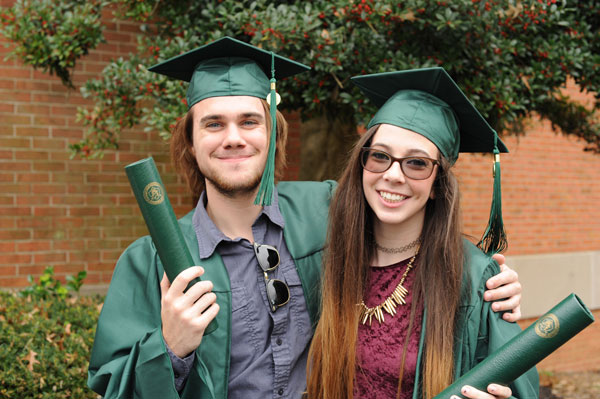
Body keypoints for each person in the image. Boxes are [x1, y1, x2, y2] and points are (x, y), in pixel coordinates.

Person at [88, 38, 524, 399]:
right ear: (191, 140)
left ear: (273, 132)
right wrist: (170, 348)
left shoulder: (326, 212)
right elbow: (111, 386)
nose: (234, 138)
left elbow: (404, 212)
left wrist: (484, 277)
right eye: (213, 124)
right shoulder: (152, 261)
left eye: (249, 121)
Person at [305, 67, 539, 399]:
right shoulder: (329, 258)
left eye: (416, 163)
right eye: (380, 157)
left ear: (436, 184)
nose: (394, 175)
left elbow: (518, 385)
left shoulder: (473, 279)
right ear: (362, 165)